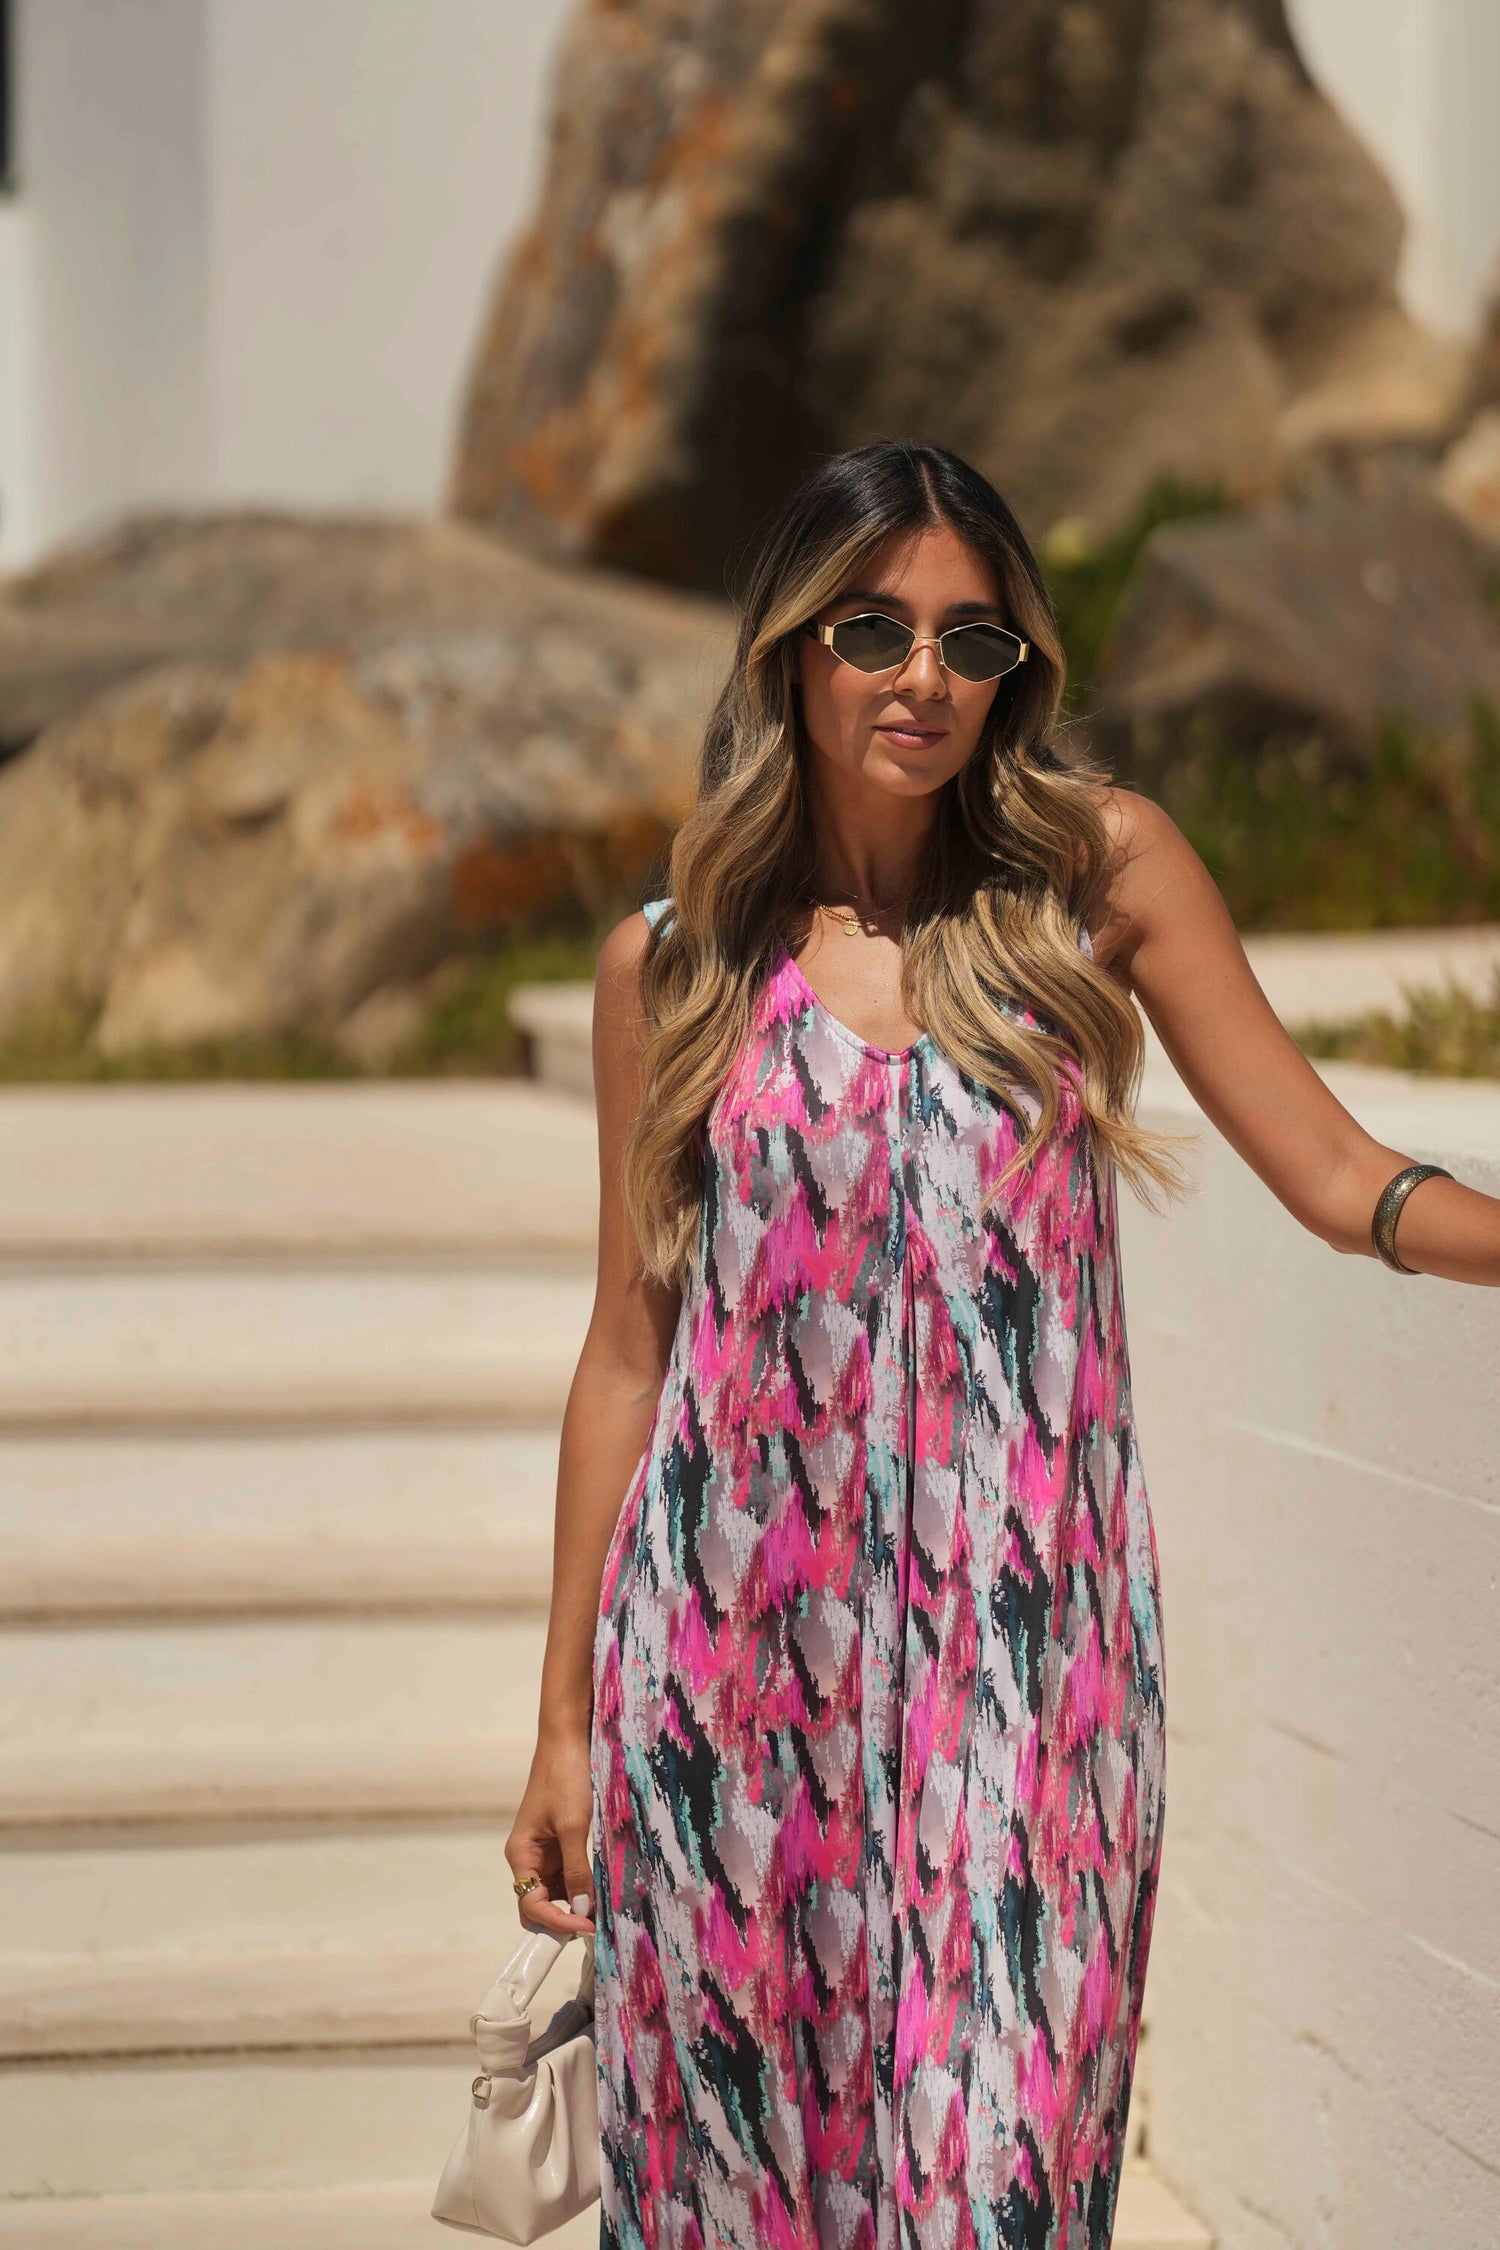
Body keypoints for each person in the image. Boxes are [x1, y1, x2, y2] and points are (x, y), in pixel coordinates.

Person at [504, 441, 1500, 2250]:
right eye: (872, 629)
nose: (923, 678)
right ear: (792, 649)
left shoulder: (1090, 885)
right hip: (732, 1684)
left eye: (972, 641)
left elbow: (1336, 1169)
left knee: (1004, 2188)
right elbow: (627, 1351)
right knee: (742, 2199)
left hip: (1031, 1681)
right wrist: (562, 1725)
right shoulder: (678, 963)